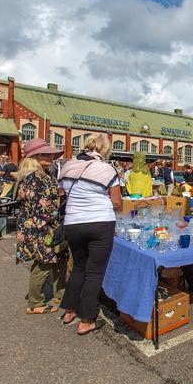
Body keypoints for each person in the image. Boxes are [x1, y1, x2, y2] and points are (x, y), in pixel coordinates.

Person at [59, 134, 121, 335]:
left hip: (73, 222)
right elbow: (117, 201)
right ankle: (86, 319)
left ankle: (70, 309)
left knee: (78, 266)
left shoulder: (68, 165)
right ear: (104, 150)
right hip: (100, 222)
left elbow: (64, 193)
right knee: (94, 272)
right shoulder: (106, 168)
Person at [16, 139, 67, 314]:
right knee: (43, 264)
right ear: (34, 157)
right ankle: (35, 303)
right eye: (45, 154)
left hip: (47, 225)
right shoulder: (35, 178)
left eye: (51, 154)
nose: (50, 156)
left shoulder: (45, 175)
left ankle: (61, 294)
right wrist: (58, 214)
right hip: (40, 227)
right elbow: (41, 208)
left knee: (59, 260)